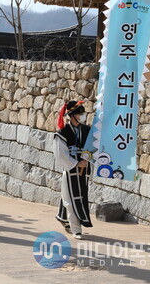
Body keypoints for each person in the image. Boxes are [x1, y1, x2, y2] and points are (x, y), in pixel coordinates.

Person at [54, 100, 93, 240]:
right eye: (80, 113)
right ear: (72, 115)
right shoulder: (63, 133)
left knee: (78, 196)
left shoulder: (87, 130)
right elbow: (61, 155)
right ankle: (76, 229)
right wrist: (76, 164)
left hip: (84, 170)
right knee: (71, 198)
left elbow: (93, 146)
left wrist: (87, 160)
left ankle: (63, 217)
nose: (82, 116)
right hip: (70, 170)